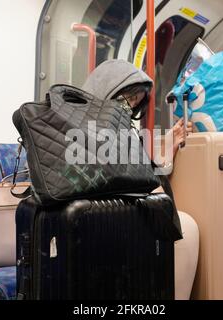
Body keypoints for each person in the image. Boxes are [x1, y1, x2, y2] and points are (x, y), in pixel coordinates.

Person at [82, 59, 199, 300]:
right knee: (184, 228)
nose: (130, 109)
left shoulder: (106, 128)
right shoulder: (95, 131)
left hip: (111, 214)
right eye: (127, 100)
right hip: (99, 220)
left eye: (135, 103)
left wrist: (166, 148)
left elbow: (132, 176)